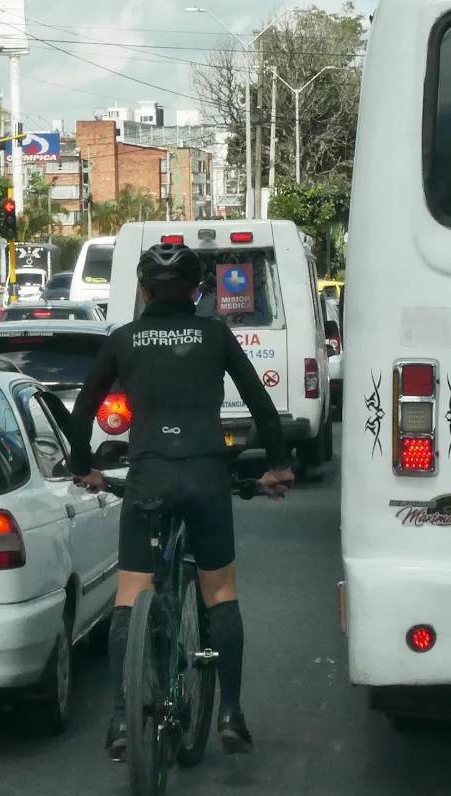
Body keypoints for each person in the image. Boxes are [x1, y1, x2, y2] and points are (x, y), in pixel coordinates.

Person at [64, 242, 295, 761]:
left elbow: (81, 413)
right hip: (205, 475)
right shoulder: (215, 335)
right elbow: (259, 401)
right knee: (221, 592)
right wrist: (278, 465)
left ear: (143, 292)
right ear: (196, 293)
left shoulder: (123, 339)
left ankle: (121, 718)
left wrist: (84, 468)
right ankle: (230, 714)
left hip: (148, 478)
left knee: (130, 595)